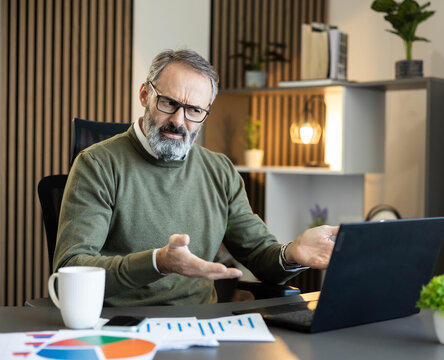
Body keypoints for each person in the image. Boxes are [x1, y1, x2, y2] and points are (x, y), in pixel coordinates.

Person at [53, 49, 337, 306]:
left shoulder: (220, 171)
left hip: (203, 328)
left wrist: (292, 254)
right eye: (168, 103)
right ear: (144, 95)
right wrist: (158, 262)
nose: (178, 120)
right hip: (120, 326)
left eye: (194, 110)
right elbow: (71, 267)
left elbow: (260, 254)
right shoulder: (97, 164)